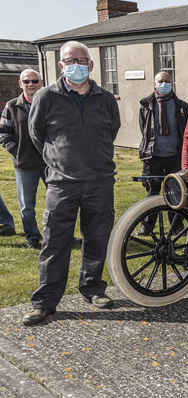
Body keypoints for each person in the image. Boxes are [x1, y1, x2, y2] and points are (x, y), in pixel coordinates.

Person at [23, 40, 121, 325]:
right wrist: (60, 160)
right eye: (69, 61)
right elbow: (36, 134)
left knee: (97, 238)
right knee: (54, 242)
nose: (75, 65)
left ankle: (92, 288)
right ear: (60, 65)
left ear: (90, 65)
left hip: (100, 181)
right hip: (61, 184)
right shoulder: (46, 97)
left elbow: (112, 131)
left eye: (81, 60)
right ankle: (45, 302)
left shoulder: (104, 99)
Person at [137, 71, 188, 233]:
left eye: (167, 81)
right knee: (152, 192)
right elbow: (143, 129)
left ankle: (176, 226)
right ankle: (147, 226)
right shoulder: (146, 105)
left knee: (176, 191)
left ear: (172, 83)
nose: (164, 84)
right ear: (154, 83)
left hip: (175, 156)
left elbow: (186, 131)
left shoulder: (182, 106)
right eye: (160, 81)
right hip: (153, 156)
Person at [0, 68, 45, 246]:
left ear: (41, 83)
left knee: (59, 203)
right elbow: (3, 134)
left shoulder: (50, 103)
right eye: (26, 81)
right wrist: (17, 152)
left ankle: (58, 235)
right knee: (26, 206)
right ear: (20, 84)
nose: (30, 84)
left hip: (51, 163)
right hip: (24, 165)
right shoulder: (11, 106)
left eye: (34, 81)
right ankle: (32, 237)